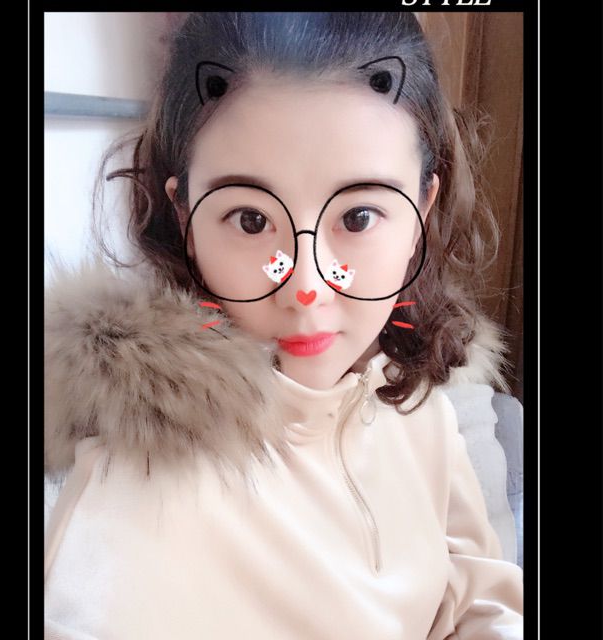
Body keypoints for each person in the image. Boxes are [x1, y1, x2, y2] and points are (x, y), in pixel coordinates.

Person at [44, 11, 523, 639]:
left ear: (421, 213)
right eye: (250, 220)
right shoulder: (133, 487)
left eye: (358, 217)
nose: (306, 288)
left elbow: (480, 594)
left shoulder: (421, 403)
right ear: (186, 218)